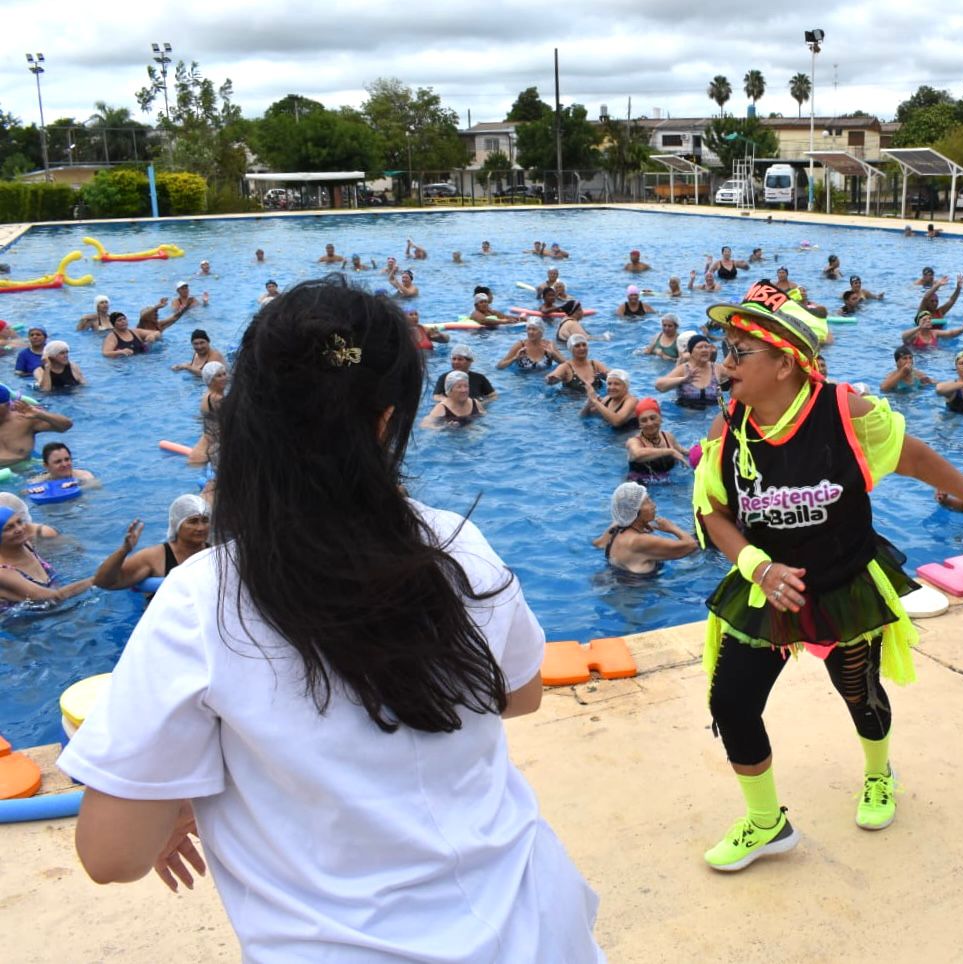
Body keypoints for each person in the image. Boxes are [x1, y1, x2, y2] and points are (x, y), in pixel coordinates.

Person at [57, 277, 602, 960]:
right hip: (534, 927)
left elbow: (111, 855)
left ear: (247, 419)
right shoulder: (458, 545)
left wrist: (174, 790)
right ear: (387, 420)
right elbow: (520, 694)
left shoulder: (202, 599)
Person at [690, 281, 963, 872]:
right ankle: (766, 822)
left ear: (785, 363)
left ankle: (879, 774)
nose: (725, 365)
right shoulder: (727, 430)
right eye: (726, 351)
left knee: (859, 692)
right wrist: (759, 566)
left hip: (843, 585)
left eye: (739, 352)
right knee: (730, 701)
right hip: (768, 587)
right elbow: (713, 512)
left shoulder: (843, 412)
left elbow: (914, 457)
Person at [92, 495, 211, 590]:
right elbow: (103, 583)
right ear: (176, 524)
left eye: (205, 521)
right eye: (193, 522)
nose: (201, 528)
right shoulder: (154, 557)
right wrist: (124, 550)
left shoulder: (216, 553)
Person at [0, 500, 91, 609]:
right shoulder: (4, 573)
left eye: (19, 522)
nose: (19, 529)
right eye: (8, 528)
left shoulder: (26, 545)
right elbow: (55, 597)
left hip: (54, 608)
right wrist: (96, 580)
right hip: (25, 619)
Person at [593, 482, 696, 575]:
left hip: (613, 577)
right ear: (636, 511)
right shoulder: (640, 541)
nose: (653, 505)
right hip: (637, 587)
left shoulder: (615, 528)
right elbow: (691, 545)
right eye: (648, 501)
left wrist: (641, 524)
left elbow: (597, 544)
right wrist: (672, 528)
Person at [0, 385, 72, 466]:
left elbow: (65, 426)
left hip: (25, 470)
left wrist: (39, 414)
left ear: (7, 405)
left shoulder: (26, 420)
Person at [625, 399, 690, 484]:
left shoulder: (668, 437)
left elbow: (682, 451)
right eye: (644, 420)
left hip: (668, 482)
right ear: (639, 424)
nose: (649, 423)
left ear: (660, 418)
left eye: (653, 418)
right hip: (638, 483)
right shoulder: (633, 441)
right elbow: (637, 454)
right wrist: (670, 451)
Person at [655, 333, 722, 409]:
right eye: (700, 347)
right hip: (688, 411)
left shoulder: (717, 368)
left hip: (714, 410)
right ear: (691, 352)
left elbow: (734, 372)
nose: (704, 350)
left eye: (706, 347)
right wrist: (683, 379)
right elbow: (659, 386)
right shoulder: (684, 368)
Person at [191, 362, 226, 468]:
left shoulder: (206, 396)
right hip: (218, 450)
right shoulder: (217, 399)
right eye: (218, 376)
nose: (224, 378)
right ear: (210, 380)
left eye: (224, 374)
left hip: (207, 448)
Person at [432, 345, 497, 402]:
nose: (456, 362)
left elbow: (493, 396)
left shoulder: (480, 378)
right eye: (454, 359)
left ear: (470, 361)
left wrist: (480, 404)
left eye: (460, 359)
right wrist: (452, 403)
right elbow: (436, 396)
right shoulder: (444, 377)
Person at [496, 319, 564, 372]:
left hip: (543, 380)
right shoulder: (520, 345)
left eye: (534, 329)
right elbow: (499, 366)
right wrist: (514, 358)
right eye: (528, 329)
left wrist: (554, 354)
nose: (530, 332)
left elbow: (566, 364)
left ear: (541, 331)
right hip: (523, 380)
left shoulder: (549, 345)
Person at [31, 442, 98, 486]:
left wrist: (78, 486)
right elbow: (27, 492)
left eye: (67, 459)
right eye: (58, 461)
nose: (64, 464)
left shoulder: (84, 476)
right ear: (46, 466)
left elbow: (95, 485)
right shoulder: (38, 481)